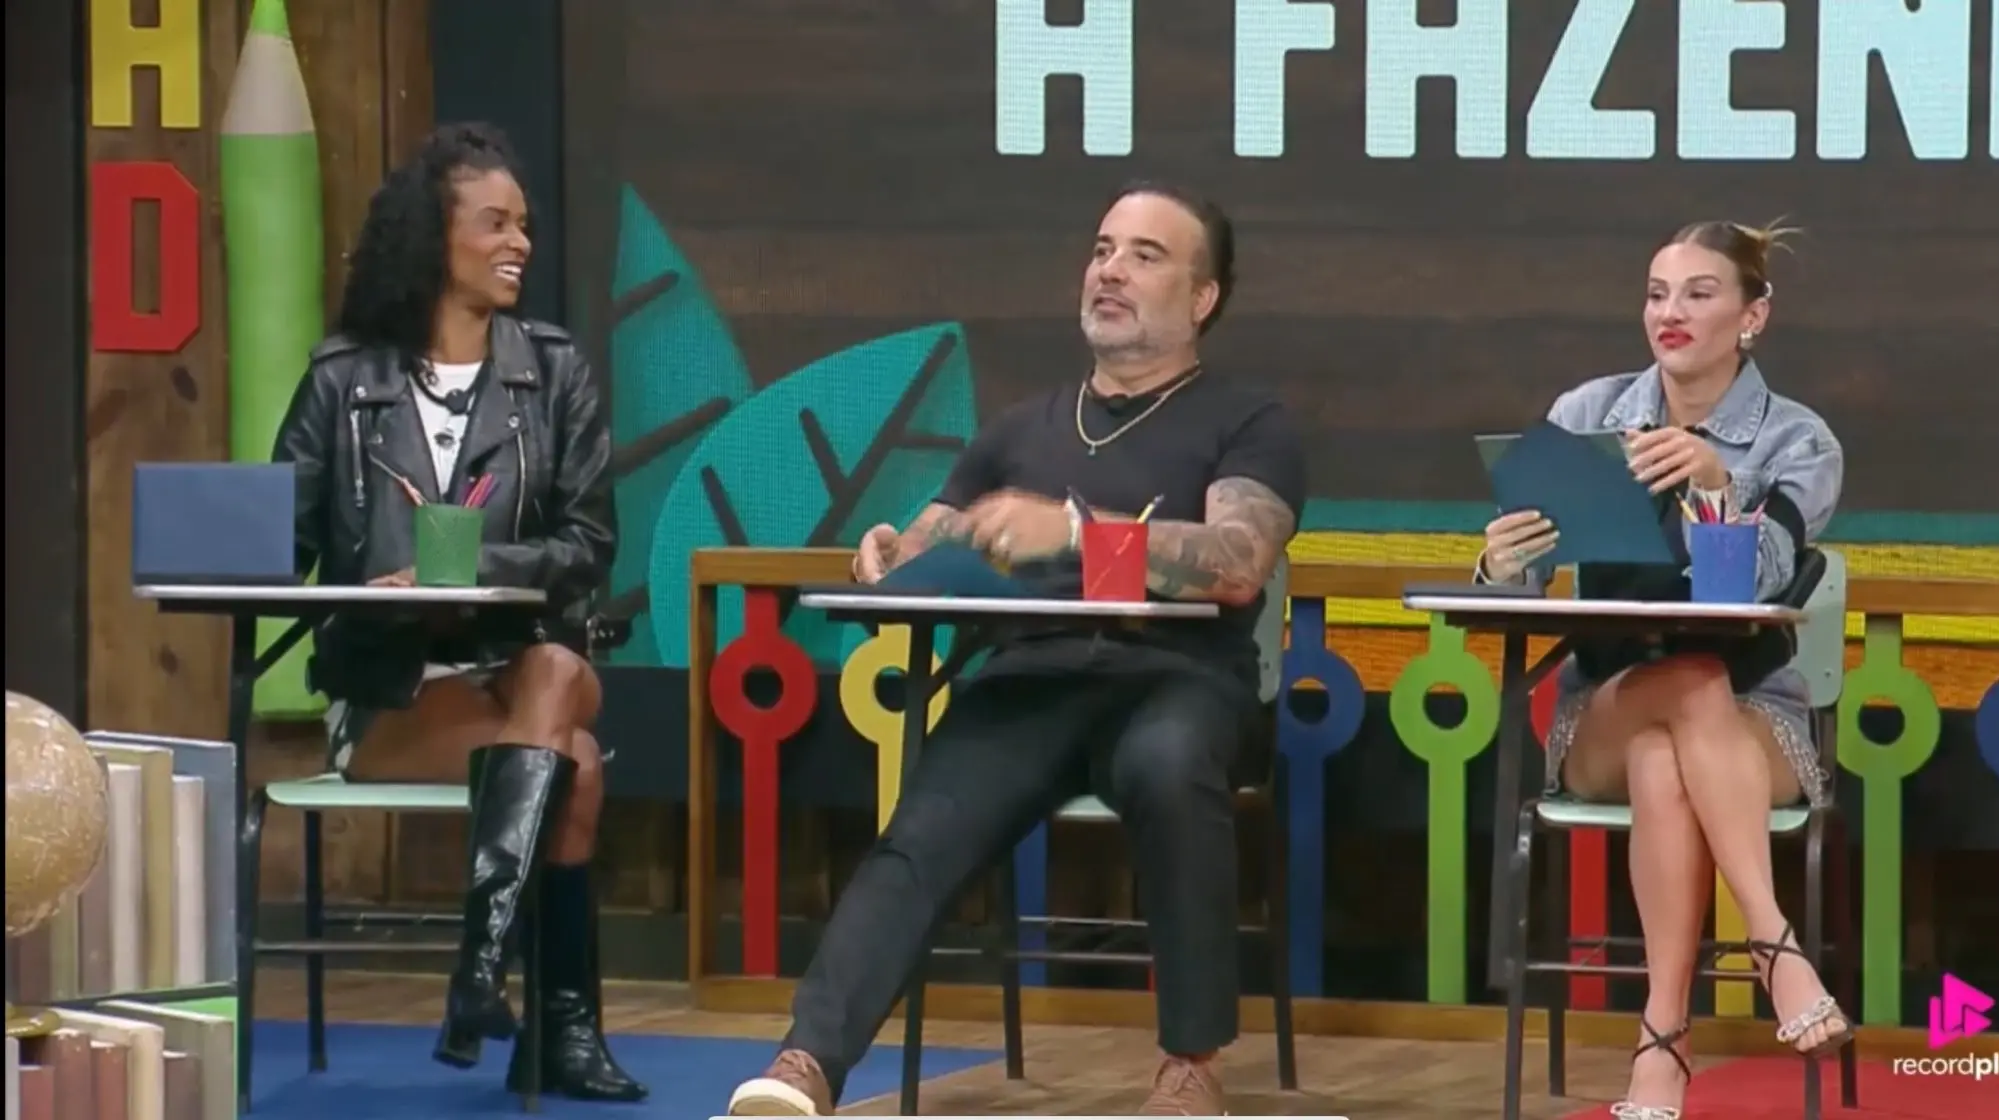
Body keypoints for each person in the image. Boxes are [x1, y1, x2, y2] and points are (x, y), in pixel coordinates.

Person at [725, 182, 1307, 1117]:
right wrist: (885, 556)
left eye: (1146, 255)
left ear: (1203, 298)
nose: (1110, 269)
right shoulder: (1020, 429)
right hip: (1033, 675)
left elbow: (1238, 563)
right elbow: (927, 545)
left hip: (1181, 678)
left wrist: (1074, 532)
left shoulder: (1247, 420)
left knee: (1167, 766)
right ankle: (806, 1066)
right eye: (1103, 248)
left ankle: (1190, 1066)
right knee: (927, 823)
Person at [270, 122, 645, 1103]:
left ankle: (479, 974)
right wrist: (350, 585)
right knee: (577, 763)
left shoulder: (552, 374)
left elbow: (589, 543)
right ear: (435, 236)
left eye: (523, 225)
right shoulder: (343, 382)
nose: (519, 242)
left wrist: (472, 563)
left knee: (553, 670)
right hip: (391, 688)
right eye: (494, 223)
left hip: (517, 660)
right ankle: (553, 1031)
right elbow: (276, 545)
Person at [1478, 220, 1852, 1118]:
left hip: (1756, 711)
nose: (1669, 312)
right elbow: (1519, 585)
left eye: (1698, 293)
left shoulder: (1799, 441)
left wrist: (1717, 485)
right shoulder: (1587, 414)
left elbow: (1765, 583)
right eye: (1656, 294)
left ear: (1753, 315)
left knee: (1669, 750)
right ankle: (1774, 946)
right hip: (1604, 706)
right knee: (1680, 692)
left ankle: (1662, 1039)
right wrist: (1500, 560)